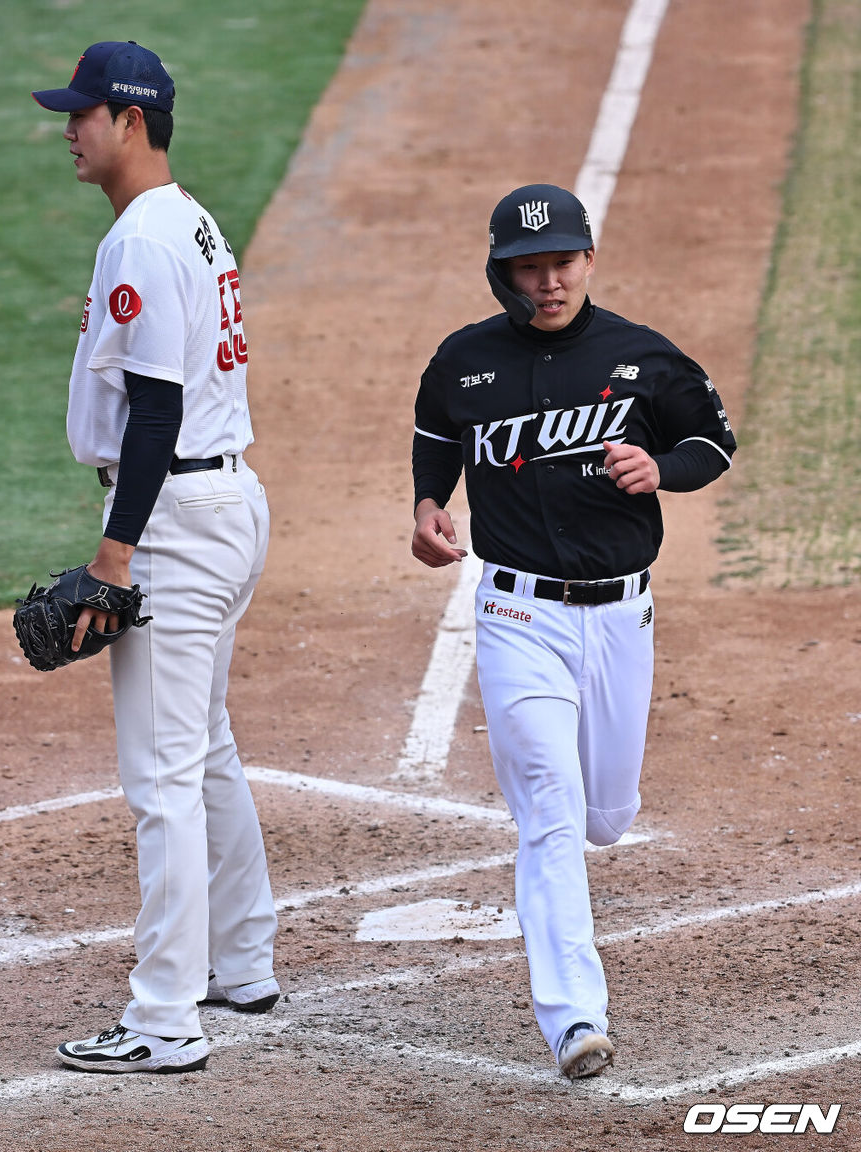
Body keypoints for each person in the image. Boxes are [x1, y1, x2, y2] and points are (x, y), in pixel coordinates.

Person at [410, 184, 736, 1079]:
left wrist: (659, 467)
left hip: (622, 616)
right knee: (549, 810)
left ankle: (597, 837)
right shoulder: (465, 361)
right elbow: (436, 434)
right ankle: (574, 1018)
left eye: (563, 262)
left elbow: (713, 442)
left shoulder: (643, 356)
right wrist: (428, 503)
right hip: (518, 615)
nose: (548, 282)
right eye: (529, 268)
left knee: (605, 815)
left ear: (588, 259)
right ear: (502, 272)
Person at [30, 40, 279, 1075]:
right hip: (223, 503)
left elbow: (155, 413)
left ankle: (165, 1019)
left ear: (130, 121)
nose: (69, 129)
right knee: (203, 746)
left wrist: (115, 554)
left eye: (82, 113)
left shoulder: (140, 237)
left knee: (162, 774)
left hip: (176, 516)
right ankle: (243, 960)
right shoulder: (189, 218)